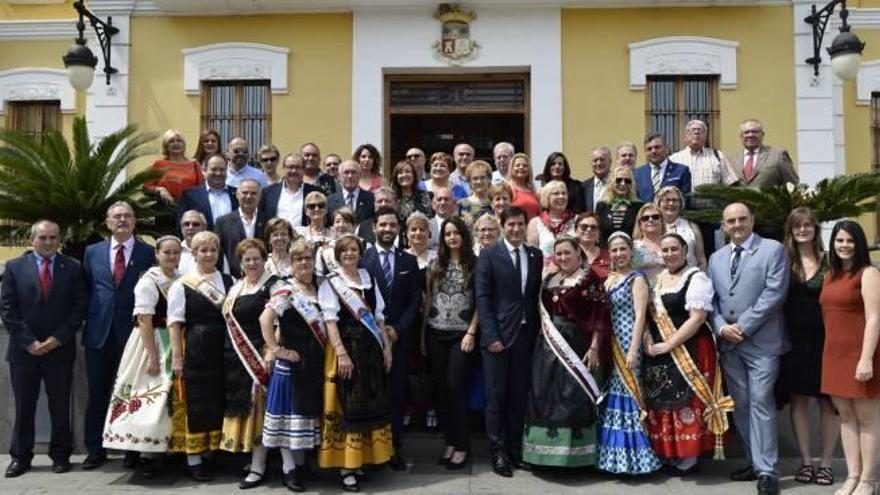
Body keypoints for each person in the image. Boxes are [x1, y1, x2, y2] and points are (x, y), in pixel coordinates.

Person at [708, 201, 789, 495]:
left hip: (761, 342)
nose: (737, 225)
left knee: (761, 402)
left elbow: (774, 293)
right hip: (729, 345)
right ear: (724, 225)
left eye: (742, 219)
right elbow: (712, 300)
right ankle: (753, 462)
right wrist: (719, 326)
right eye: (731, 221)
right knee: (741, 404)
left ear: (752, 220)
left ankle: (768, 471)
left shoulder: (773, 250)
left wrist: (742, 326)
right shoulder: (716, 258)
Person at [2, 220, 87, 478]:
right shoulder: (15, 267)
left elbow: (79, 308)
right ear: (32, 240)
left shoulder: (72, 268)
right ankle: (20, 457)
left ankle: (61, 456)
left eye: (53, 237)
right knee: (24, 406)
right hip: (23, 352)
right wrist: (29, 341)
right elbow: (7, 309)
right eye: (42, 237)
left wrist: (56, 339)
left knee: (59, 405)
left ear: (59, 239)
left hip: (59, 350)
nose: (48, 242)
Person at [643, 233, 730, 476]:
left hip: (690, 348)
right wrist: (649, 339)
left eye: (674, 249)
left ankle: (689, 457)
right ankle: (671, 453)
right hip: (662, 348)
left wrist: (671, 343)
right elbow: (648, 314)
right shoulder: (658, 279)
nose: (670, 253)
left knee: (687, 401)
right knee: (664, 399)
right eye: (666, 249)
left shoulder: (696, 277)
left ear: (685, 250)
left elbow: (698, 318)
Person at [523, 236, 610, 468]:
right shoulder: (550, 278)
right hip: (548, 347)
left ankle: (576, 457)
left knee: (573, 396)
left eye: (567, 253)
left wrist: (594, 346)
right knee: (546, 395)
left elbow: (599, 316)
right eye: (558, 253)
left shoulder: (590, 278)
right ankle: (542, 455)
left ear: (578, 254)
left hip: (577, 344)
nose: (562, 257)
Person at [82, 202, 156, 470]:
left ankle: (132, 451)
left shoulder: (148, 253)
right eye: (117, 216)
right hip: (98, 335)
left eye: (127, 216)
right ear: (108, 221)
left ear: (135, 222)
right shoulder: (92, 252)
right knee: (97, 393)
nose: (122, 220)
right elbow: (88, 290)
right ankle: (94, 450)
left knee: (132, 394)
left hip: (134, 335)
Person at [317, 234, 393, 492]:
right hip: (348, 350)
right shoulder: (332, 283)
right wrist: (340, 353)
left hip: (371, 352)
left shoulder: (367, 278)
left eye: (354, 249)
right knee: (348, 405)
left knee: (370, 403)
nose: (350, 254)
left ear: (360, 253)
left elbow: (379, 317)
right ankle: (346, 468)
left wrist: (387, 348)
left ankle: (361, 461)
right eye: (345, 250)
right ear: (337, 254)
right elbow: (330, 321)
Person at [101, 236, 181, 478]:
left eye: (176, 252)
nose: (171, 256)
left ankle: (162, 449)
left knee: (166, 399)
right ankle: (144, 454)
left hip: (172, 340)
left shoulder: (179, 279)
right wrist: (152, 356)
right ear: (157, 254)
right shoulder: (149, 281)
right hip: (151, 342)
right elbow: (144, 320)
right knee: (148, 396)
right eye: (166, 252)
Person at [475, 206, 543, 477]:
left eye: (520, 224)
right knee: (495, 397)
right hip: (498, 338)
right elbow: (483, 297)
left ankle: (515, 450)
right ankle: (498, 451)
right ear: (503, 226)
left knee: (518, 396)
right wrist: (491, 336)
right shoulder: (489, 255)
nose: (516, 229)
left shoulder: (535, 256)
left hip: (526, 338)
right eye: (511, 224)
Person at [167, 231, 234, 481]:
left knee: (216, 399)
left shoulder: (229, 281)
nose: (208, 255)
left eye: (213, 250)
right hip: (194, 347)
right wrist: (177, 357)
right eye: (203, 250)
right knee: (195, 402)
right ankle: (193, 458)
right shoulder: (182, 284)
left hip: (222, 349)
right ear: (193, 254)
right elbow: (174, 323)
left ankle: (210, 454)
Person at [260, 240, 326, 492]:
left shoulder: (319, 287)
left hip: (313, 362)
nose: (304, 263)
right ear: (292, 262)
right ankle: (289, 469)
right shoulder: (286, 290)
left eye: (308, 258)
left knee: (303, 415)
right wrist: (277, 351)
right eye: (299, 259)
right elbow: (265, 319)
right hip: (291, 365)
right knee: (287, 419)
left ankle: (300, 464)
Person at [820, 220, 880, 495]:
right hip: (834, 355)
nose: (844, 246)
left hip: (861, 354)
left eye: (850, 240)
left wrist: (866, 358)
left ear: (859, 244)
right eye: (839, 240)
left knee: (867, 418)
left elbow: (875, 318)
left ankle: (868, 479)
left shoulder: (868, 273)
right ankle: (852, 476)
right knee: (845, 416)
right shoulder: (829, 275)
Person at [780, 207, 839, 486]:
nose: (803, 230)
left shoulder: (831, 261)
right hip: (793, 342)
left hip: (827, 341)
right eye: (797, 226)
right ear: (790, 231)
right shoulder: (784, 261)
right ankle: (806, 461)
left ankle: (826, 464)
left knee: (829, 403)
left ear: (815, 229)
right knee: (799, 401)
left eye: (808, 225)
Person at [597, 232, 661, 475]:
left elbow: (640, 317)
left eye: (623, 249)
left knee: (629, 395)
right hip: (610, 343)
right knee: (613, 394)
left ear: (631, 252)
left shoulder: (637, 279)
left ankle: (636, 459)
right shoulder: (610, 279)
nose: (618, 254)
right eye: (614, 250)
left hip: (627, 343)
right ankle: (612, 458)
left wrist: (634, 349)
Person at [362, 207, 421, 470]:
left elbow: (414, 301)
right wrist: (377, 329)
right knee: (372, 396)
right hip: (368, 341)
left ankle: (394, 447)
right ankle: (370, 451)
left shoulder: (409, 262)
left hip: (398, 340)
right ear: (374, 227)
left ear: (399, 229)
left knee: (396, 395)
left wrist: (397, 329)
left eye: (392, 225)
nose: (387, 229)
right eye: (383, 225)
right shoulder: (362, 259)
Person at [423, 216, 479, 469]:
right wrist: (421, 337)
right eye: (447, 234)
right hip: (436, 333)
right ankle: (450, 441)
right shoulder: (436, 263)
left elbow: (480, 302)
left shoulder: (474, 264)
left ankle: (462, 445)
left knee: (456, 386)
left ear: (463, 236)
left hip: (461, 335)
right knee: (442, 390)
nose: (452, 237)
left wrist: (472, 332)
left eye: (456, 233)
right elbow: (428, 301)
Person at [220, 239, 276, 489]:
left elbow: (279, 323)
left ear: (264, 259)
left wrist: (270, 351)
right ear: (240, 263)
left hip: (259, 355)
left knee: (259, 412)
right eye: (247, 259)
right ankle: (250, 459)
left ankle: (258, 466)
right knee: (245, 409)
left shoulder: (274, 285)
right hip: (235, 358)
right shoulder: (236, 287)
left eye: (256, 258)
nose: (252, 263)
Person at [668, 119, 736, 255]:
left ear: (706, 136)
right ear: (685, 136)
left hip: (712, 217)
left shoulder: (717, 156)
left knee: (714, 253)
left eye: (701, 130)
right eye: (692, 130)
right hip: (685, 216)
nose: (696, 133)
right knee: (686, 252)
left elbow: (731, 186)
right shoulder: (675, 158)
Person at [214, 178, 266, 278]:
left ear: (260, 196)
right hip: (234, 279)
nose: (249, 196)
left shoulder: (268, 220)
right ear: (237, 195)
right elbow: (218, 253)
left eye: (253, 193)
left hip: (262, 278)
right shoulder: (223, 222)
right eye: (245, 193)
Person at [176, 153, 239, 232]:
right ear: (204, 170)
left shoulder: (238, 194)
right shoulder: (190, 196)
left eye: (222, 169)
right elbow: (181, 225)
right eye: (214, 169)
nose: (218, 173)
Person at [728, 119, 798, 187]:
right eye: (746, 132)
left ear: (762, 135)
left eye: (755, 132)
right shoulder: (732, 160)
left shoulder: (778, 155)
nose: (750, 135)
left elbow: (792, 185)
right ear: (741, 136)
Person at [260, 153, 320, 228]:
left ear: (303, 170)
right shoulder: (267, 193)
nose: (294, 171)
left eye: (298, 167)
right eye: (290, 167)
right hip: (276, 238)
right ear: (283, 169)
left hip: (304, 239)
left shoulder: (314, 192)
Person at [144, 129, 204, 204]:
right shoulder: (159, 164)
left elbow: (202, 189)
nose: (176, 143)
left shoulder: (194, 165)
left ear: (183, 144)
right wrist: (158, 189)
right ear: (166, 146)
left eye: (179, 140)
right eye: (171, 141)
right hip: (165, 209)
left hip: (190, 208)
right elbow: (146, 186)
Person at [655, 186, 707, 271]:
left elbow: (701, 260)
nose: (671, 203)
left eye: (675, 200)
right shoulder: (651, 227)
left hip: (690, 278)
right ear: (659, 203)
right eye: (667, 200)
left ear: (681, 204)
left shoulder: (691, 227)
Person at [527, 180, 576, 268]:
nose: (561, 196)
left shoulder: (576, 220)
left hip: (573, 274)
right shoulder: (536, 223)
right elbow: (532, 256)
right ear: (547, 198)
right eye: (556, 193)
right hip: (546, 274)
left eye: (564, 193)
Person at [634, 133, 691, 203]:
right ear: (645, 152)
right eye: (649, 149)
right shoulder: (638, 173)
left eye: (657, 147)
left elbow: (685, 201)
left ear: (666, 148)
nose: (653, 151)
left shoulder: (681, 171)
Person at [595, 165, 644, 246]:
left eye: (627, 181)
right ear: (611, 182)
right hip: (606, 251)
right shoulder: (601, 205)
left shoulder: (638, 206)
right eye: (619, 180)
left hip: (631, 251)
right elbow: (599, 233)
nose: (623, 183)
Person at [390, 160, 432, 245]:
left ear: (414, 175)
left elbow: (430, 220)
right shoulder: (392, 198)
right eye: (400, 172)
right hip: (398, 243)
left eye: (408, 172)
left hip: (421, 241)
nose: (404, 175)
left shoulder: (426, 196)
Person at [327, 159, 376, 226]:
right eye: (346, 172)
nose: (350, 176)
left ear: (360, 175)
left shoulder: (371, 198)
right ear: (339, 176)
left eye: (353, 172)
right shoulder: (329, 201)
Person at [632, 203, 666, 287]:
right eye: (645, 218)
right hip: (642, 293)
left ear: (662, 221)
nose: (650, 220)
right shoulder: (634, 247)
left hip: (669, 291)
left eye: (655, 217)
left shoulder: (671, 243)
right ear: (640, 224)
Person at [575, 212, 611, 280]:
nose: (589, 230)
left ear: (599, 233)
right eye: (584, 227)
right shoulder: (566, 253)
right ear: (576, 231)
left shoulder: (608, 256)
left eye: (593, 227)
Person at [458, 160, 493, 226]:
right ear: (469, 181)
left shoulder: (495, 203)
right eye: (475, 178)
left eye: (482, 178)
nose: (479, 182)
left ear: (489, 179)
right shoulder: (462, 205)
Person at [507, 153, 540, 221]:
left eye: (525, 166)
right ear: (512, 168)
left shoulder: (533, 190)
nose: (521, 167)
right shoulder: (507, 188)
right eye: (517, 165)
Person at [581, 146, 612, 213]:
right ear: (591, 163)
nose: (599, 163)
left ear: (610, 162)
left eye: (602, 159)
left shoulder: (618, 184)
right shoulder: (583, 187)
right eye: (595, 160)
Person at [427, 186, 457, 250]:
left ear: (454, 204)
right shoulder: (426, 225)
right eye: (439, 199)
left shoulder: (462, 225)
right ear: (433, 205)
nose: (442, 202)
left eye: (446, 199)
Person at [178, 210, 207, 275]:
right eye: (186, 224)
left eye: (195, 224)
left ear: (204, 227)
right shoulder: (174, 251)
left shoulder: (215, 253)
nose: (190, 227)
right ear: (181, 227)